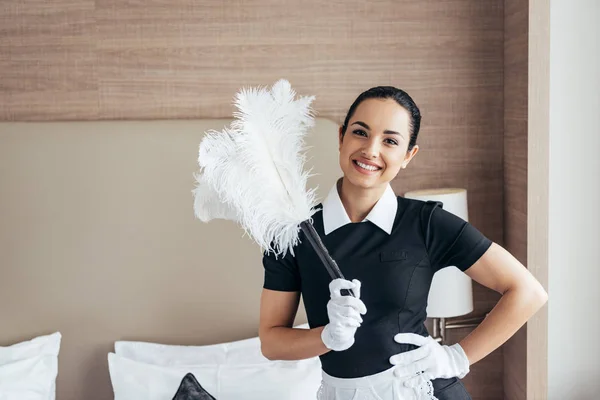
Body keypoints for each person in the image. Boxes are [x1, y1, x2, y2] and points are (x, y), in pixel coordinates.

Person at [258, 86, 548, 400]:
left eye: (390, 141)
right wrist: (327, 337)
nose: (371, 150)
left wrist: (457, 357)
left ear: (408, 155)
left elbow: (528, 292)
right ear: (341, 137)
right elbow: (271, 343)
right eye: (360, 132)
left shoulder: (426, 224)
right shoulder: (294, 232)